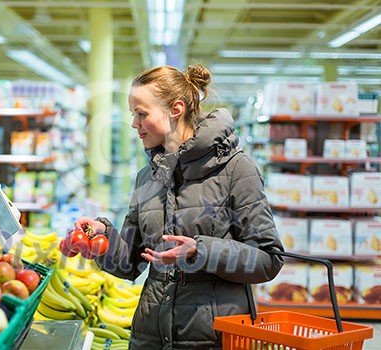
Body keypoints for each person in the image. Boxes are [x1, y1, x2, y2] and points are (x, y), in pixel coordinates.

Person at [74, 64, 284, 350]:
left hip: (214, 338)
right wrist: (101, 238)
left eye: (141, 114)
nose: (134, 124)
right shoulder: (147, 177)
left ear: (176, 109)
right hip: (151, 336)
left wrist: (202, 251)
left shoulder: (236, 169)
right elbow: (132, 263)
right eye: (133, 115)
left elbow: (268, 260)